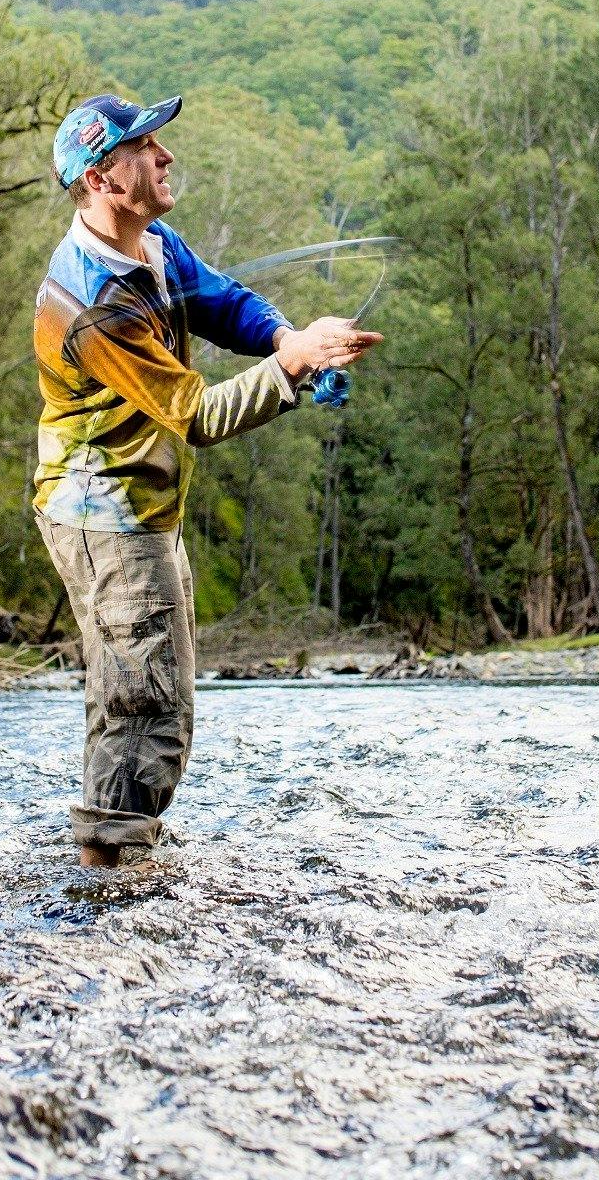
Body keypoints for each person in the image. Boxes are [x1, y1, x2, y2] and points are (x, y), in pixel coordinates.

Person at [32, 92, 380, 867]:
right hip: (105, 519)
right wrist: (294, 367)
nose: (166, 156)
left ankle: (112, 857)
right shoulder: (94, 307)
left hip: (138, 509)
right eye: (145, 147)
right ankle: (110, 884)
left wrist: (289, 339)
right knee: (147, 706)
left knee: (133, 691)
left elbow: (221, 300)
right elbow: (196, 415)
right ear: (101, 180)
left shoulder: (150, 243)